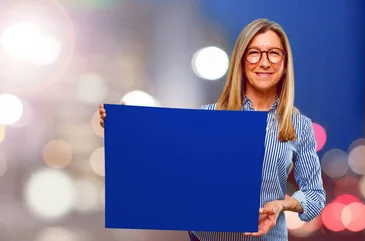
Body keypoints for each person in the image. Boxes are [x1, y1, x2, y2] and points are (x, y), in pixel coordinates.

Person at [98, 18, 326, 240]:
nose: (264, 62)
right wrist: (124, 128)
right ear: (241, 61)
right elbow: (165, 166)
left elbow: (315, 196)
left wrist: (282, 204)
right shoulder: (209, 115)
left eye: (274, 53)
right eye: (254, 52)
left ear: (285, 64)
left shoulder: (299, 126)